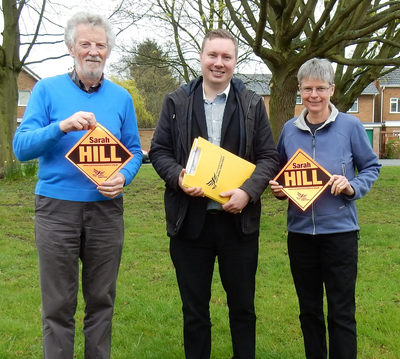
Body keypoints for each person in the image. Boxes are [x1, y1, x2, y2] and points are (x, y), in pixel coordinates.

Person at [13, 12, 142, 359]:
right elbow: (21, 148)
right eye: (85, 44)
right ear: (71, 47)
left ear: (109, 52)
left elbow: (134, 151)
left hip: (106, 210)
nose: (93, 51)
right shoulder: (46, 90)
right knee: (57, 305)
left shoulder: (121, 98)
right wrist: (61, 126)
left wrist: (124, 176)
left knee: (102, 301)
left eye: (100, 45)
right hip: (56, 210)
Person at [149, 29, 279, 359]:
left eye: (226, 57)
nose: (218, 63)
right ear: (201, 57)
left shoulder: (252, 104)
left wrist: (248, 192)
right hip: (190, 224)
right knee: (194, 314)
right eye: (213, 55)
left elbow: (268, 156)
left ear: (235, 62)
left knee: (243, 309)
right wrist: (178, 177)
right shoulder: (176, 101)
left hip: (239, 225)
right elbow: (160, 150)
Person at [269, 58, 381, 359]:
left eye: (321, 88)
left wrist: (352, 186)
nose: (314, 95)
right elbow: (280, 173)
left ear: (332, 89)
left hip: (341, 234)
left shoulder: (351, 126)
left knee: (341, 312)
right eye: (307, 89)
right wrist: (278, 190)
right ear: (299, 91)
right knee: (309, 312)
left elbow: (371, 167)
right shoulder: (289, 130)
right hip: (300, 234)